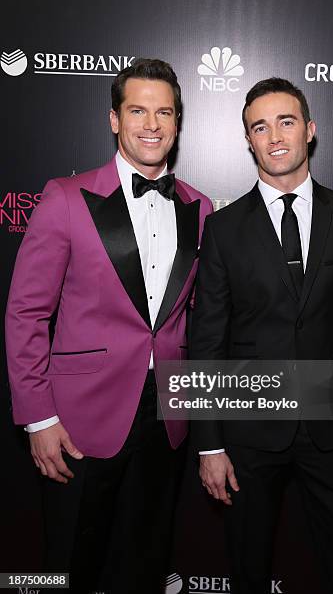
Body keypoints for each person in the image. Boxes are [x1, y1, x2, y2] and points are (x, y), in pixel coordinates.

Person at [5, 58, 212, 594]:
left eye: (164, 112)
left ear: (177, 121)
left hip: (166, 418)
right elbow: (27, 312)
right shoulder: (66, 197)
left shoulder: (201, 207)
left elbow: (205, 318)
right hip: (77, 421)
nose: (151, 124)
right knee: (68, 565)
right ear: (114, 119)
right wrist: (37, 417)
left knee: (143, 567)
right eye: (137, 110)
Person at [190, 77, 333, 594]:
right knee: (247, 566)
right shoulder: (223, 228)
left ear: (310, 129)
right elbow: (207, 339)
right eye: (260, 127)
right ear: (249, 141)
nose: (275, 136)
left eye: (286, 121)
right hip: (248, 428)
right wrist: (208, 444)